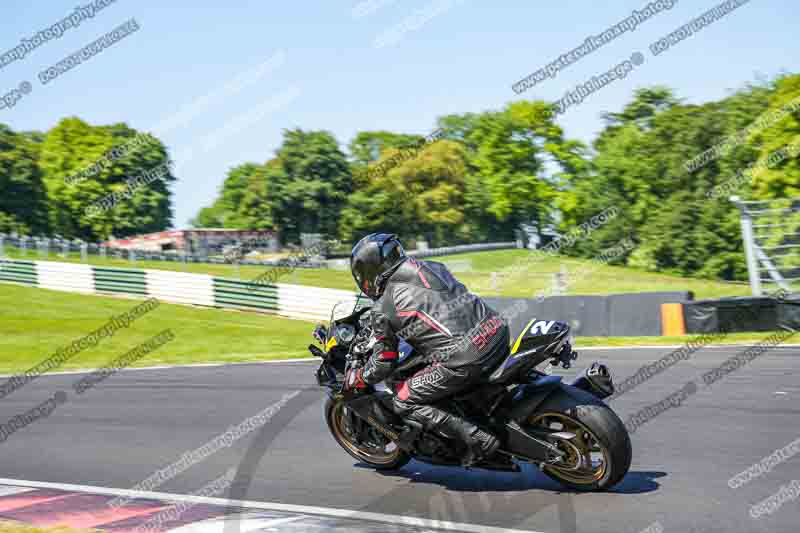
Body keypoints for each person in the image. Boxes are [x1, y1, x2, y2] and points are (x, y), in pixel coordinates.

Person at [344, 233, 510, 466]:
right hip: (497, 331)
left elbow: (384, 363)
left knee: (403, 399)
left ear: (372, 270)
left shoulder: (383, 308)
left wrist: (360, 376)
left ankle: (479, 439)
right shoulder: (433, 267)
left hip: (467, 356)